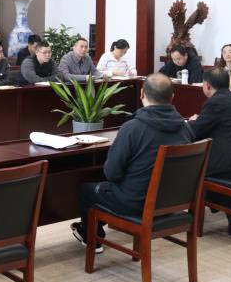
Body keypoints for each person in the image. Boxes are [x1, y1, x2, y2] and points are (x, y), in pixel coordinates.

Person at [71, 73, 193, 252]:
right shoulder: (185, 128)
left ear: (142, 93)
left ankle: (92, 238)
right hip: (171, 201)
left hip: (135, 203)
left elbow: (112, 173)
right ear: (172, 97)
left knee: (87, 190)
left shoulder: (133, 128)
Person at [188, 67, 231, 234]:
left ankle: (228, 206)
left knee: (192, 168)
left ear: (207, 85)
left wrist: (192, 121)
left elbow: (195, 132)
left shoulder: (215, 102)